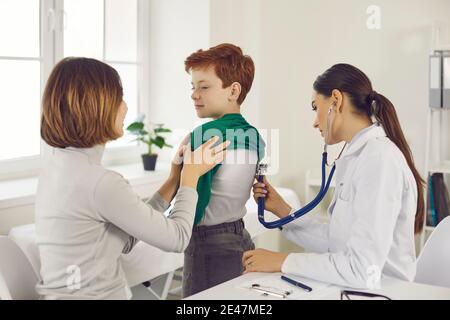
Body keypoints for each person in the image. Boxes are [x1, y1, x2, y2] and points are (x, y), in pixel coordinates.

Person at [35, 57, 229, 299]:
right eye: (119, 97)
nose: (125, 107)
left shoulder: (57, 170)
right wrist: (191, 177)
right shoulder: (100, 182)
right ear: (98, 106)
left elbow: (124, 238)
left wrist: (174, 180)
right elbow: (177, 238)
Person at [243, 63, 425, 289]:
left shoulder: (379, 160)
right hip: (355, 289)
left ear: (336, 101)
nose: (314, 122)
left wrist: (282, 261)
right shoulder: (358, 155)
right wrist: (282, 210)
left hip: (384, 291)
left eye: (315, 107)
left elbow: (361, 269)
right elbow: (337, 241)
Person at [182, 43, 265, 297]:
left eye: (204, 87)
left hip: (207, 244)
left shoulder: (203, 135)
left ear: (233, 90)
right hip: (240, 237)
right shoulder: (255, 136)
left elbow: (193, 204)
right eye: (193, 87)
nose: (195, 95)